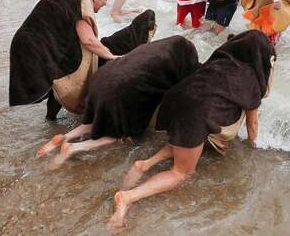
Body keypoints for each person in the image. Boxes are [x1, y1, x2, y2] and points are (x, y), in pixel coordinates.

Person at [109, 30, 276, 230]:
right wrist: (252, 148)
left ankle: (143, 165)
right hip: (194, 114)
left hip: (176, 100)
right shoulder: (251, 81)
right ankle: (128, 197)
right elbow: (252, 124)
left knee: (185, 142)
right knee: (181, 173)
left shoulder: (220, 60)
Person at [36, 35, 199, 167]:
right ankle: (73, 148)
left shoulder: (154, 48)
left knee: (98, 119)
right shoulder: (181, 61)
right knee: (117, 135)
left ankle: (63, 137)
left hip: (101, 78)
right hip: (118, 90)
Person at [9, 0, 116, 119]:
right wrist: (113, 57)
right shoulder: (79, 4)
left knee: (54, 82)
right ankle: (49, 122)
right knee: (55, 81)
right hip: (32, 46)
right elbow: (89, 41)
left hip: (28, 42)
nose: (106, 3)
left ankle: (50, 121)